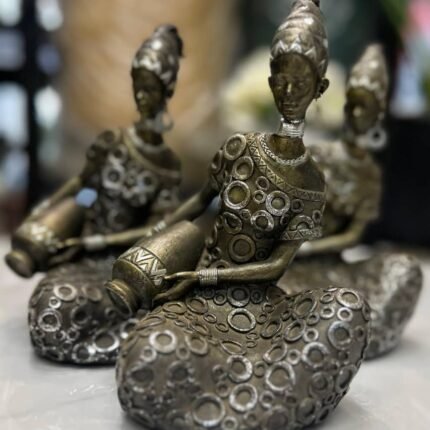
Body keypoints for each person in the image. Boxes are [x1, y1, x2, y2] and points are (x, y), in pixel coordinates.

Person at [114, 2, 370, 428]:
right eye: (282, 79)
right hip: (199, 300)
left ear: (320, 88)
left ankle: (244, 397)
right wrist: (154, 238)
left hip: (261, 308)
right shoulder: (240, 148)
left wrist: (206, 277)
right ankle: (248, 395)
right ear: (269, 82)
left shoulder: (311, 183)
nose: (290, 91)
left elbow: (276, 266)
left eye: (302, 82)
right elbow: (198, 204)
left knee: (346, 310)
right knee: (149, 353)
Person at [24, 25, 184, 364]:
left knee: (102, 307)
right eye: (138, 87)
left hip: (123, 264)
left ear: (166, 92)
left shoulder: (167, 166)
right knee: (52, 302)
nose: (142, 96)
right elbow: (81, 183)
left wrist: (100, 243)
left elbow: (156, 230)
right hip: (82, 252)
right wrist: (45, 209)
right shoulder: (112, 142)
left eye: (151, 89)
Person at [283, 45, 422, 359]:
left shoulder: (369, 175)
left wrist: (314, 248)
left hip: (330, 263)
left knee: (401, 270)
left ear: (378, 116)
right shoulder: (319, 155)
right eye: (353, 106)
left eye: (366, 109)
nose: (357, 115)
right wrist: (294, 246)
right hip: (291, 258)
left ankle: (346, 329)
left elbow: (354, 235)